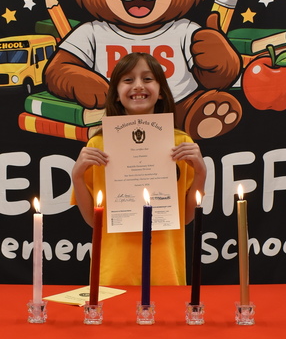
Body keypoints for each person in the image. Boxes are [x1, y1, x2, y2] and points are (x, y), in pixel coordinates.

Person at [71, 52, 207, 286]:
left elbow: (186, 218)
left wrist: (201, 172)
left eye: (147, 78)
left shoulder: (182, 143)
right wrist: (77, 175)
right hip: (113, 270)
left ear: (161, 90)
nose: (138, 86)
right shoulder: (98, 145)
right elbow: (94, 221)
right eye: (127, 80)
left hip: (166, 270)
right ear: (115, 94)